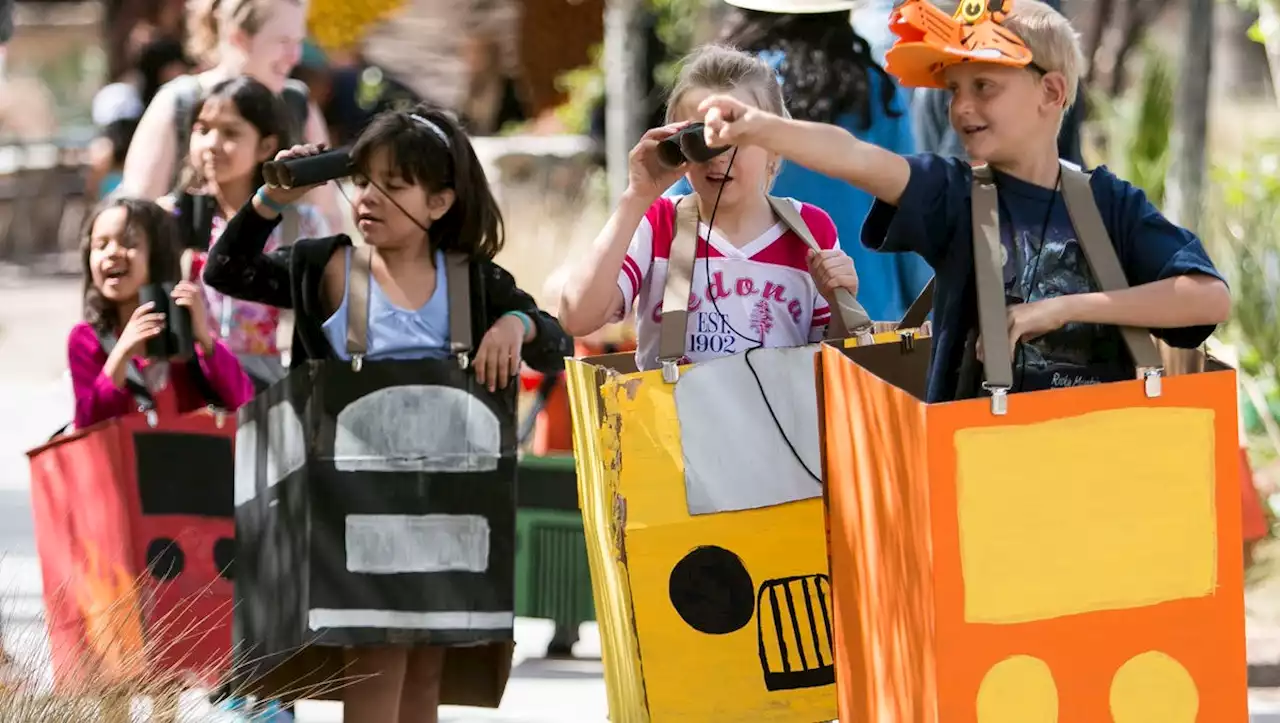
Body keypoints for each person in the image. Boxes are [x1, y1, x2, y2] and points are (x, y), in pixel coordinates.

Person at [201, 104, 573, 723]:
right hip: (354, 517)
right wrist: (269, 197)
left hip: (441, 514)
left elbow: (553, 340)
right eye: (363, 182)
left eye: (392, 186)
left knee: (424, 663)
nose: (369, 199)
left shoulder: (471, 281)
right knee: (376, 655)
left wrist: (516, 321)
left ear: (439, 203)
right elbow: (227, 269)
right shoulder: (329, 267)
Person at [694, 0, 1230, 403]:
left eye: (984, 86)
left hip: (1091, 461)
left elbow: (1207, 298)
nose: (960, 108)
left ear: (1051, 92)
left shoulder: (1111, 203)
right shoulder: (953, 195)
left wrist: (1066, 308)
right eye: (954, 90)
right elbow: (857, 157)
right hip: (976, 464)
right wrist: (764, 127)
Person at [556, 45, 859, 369]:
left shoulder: (810, 231)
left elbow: (832, 366)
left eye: (736, 134)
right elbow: (577, 318)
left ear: (774, 145)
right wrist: (635, 198)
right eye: (700, 137)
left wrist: (841, 302)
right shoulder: (658, 223)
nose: (718, 156)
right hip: (674, 419)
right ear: (675, 143)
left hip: (780, 419)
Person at [667, 1, 931, 322]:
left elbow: (679, 199)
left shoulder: (738, 93)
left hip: (749, 318)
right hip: (866, 318)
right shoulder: (874, 90)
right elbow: (908, 206)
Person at [162, 75, 329, 391]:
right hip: (197, 384)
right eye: (203, 129)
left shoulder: (301, 225)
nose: (211, 144)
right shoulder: (172, 218)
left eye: (230, 132)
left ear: (265, 145)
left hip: (275, 386)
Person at [120, 0, 344, 231]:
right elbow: (138, 213)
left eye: (298, 42)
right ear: (239, 38)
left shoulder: (297, 103)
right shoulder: (179, 100)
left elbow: (328, 213)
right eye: (283, 41)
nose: (295, 56)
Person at [68, 198, 253, 430]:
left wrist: (205, 340)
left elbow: (241, 401)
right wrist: (121, 355)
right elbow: (88, 426)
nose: (113, 252)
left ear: (156, 256)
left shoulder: (180, 330)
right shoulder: (86, 338)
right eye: (101, 245)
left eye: (128, 242)